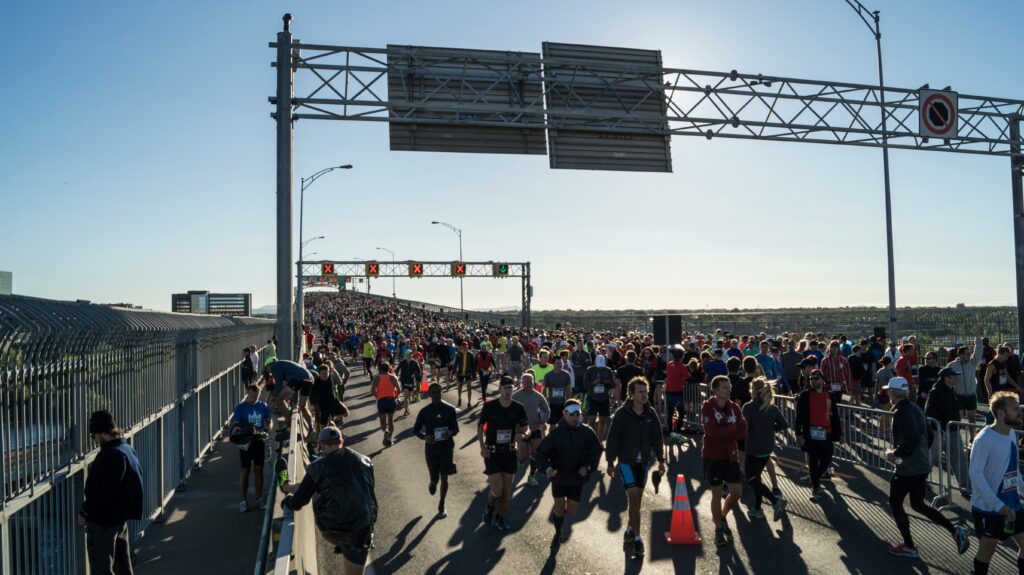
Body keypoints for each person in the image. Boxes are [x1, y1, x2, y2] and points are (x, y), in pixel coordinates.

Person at [883, 377, 969, 558]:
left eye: (888, 391)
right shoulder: (916, 408)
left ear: (892, 392)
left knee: (895, 502)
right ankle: (954, 530)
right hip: (921, 465)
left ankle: (909, 546)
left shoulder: (901, 412)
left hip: (907, 468)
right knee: (918, 504)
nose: (887, 394)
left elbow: (911, 440)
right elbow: (929, 436)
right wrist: (920, 454)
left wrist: (895, 454)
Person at [282, 426, 377, 575]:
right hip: (362, 527)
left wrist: (287, 502)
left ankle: (287, 487)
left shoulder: (318, 466)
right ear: (342, 441)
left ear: (321, 445)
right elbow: (370, 495)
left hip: (334, 527)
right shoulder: (365, 460)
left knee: (315, 488)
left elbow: (298, 503)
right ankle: (289, 486)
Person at [605, 377, 666, 560]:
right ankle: (638, 541)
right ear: (631, 394)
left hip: (644, 463)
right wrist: (610, 461)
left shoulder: (651, 413)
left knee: (637, 501)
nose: (644, 395)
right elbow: (613, 438)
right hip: (626, 462)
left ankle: (630, 529)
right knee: (632, 497)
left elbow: (657, 437)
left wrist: (661, 460)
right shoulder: (621, 415)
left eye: (646, 392)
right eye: (640, 392)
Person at [79, 410, 143, 575]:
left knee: (101, 568)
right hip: (119, 519)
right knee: (123, 567)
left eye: (93, 436)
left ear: (101, 433)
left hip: (104, 521)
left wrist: (84, 511)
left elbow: (102, 492)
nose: (94, 440)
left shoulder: (112, 455)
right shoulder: (125, 447)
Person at [968, 391, 1024, 575]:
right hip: (989, 508)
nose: (1019, 412)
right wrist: (997, 505)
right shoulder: (984, 439)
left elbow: (1014, 471)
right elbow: (975, 475)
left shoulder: (1011, 434)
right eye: (1015, 409)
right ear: (1001, 414)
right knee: (987, 552)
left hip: (1012, 504)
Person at [538, 399, 603, 544]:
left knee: (572, 511)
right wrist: (547, 468)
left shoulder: (587, 432)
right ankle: (558, 531)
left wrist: (588, 467)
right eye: (572, 414)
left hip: (576, 479)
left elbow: (596, 451)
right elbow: (541, 453)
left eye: (578, 414)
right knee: (560, 509)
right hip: (559, 477)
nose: (575, 417)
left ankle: (560, 516)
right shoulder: (556, 433)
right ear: (564, 414)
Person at [700, 375, 746, 547]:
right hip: (713, 456)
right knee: (717, 494)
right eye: (725, 387)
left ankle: (722, 515)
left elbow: (743, 431)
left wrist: (727, 430)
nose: (729, 389)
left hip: (731, 455)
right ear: (716, 390)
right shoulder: (707, 407)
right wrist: (731, 429)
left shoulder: (734, 407)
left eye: (729, 387)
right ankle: (718, 529)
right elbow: (712, 432)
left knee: (737, 492)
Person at [479, 376, 529, 531]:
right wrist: (482, 447)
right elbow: (480, 427)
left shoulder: (518, 407)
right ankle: (489, 507)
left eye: (510, 388)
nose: (508, 391)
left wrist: (520, 434)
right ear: (500, 389)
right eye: (505, 388)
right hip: (492, 452)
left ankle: (499, 517)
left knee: (507, 491)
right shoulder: (490, 406)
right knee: (497, 490)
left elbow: (525, 427)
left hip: (508, 451)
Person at [742, 377, 789, 522]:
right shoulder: (772, 407)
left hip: (753, 447)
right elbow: (784, 424)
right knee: (756, 478)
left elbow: (745, 427)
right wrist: (770, 428)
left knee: (751, 479)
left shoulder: (748, 407)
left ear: (753, 391)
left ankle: (775, 501)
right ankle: (757, 509)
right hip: (767, 448)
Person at [795, 368, 843, 502]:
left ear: (822, 380)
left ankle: (814, 476)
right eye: (811, 379)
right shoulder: (805, 395)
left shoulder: (830, 395)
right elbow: (799, 416)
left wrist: (840, 433)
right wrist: (798, 433)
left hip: (826, 433)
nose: (813, 381)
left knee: (827, 459)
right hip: (810, 434)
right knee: (813, 461)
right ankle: (816, 488)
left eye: (816, 378)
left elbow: (835, 416)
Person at [414, 382, 459, 518]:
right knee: (435, 478)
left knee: (444, 477)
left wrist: (450, 433)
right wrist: (425, 437)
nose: (435, 395)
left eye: (438, 392)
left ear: (441, 393)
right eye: (433, 392)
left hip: (446, 448)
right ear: (429, 394)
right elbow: (415, 430)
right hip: (432, 450)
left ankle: (442, 504)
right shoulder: (425, 411)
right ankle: (433, 483)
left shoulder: (449, 410)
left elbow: (456, 429)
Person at [926, 366, 971, 496]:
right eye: (953, 376)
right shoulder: (935, 392)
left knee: (960, 459)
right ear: (946, 378)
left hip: (953, 430)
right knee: (930, 458)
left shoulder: (951, 390)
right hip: (938, 432)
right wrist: (939, 426)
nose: (956, 378)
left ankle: (966, 486)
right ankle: (917, 482)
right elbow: (929, 412)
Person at [230, 384, 274, 512]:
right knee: (245, 471)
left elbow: (269, 421)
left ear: (259, 394)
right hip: (245, 443)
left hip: (258, 442)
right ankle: (243, 501)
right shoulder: (240, 408)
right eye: (251, 395)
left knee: (258, 471)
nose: (253, 397)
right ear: (247, 394)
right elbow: (235, 423)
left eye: (255, 395)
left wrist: (267, 428)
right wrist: (237, 429)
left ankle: (258, 499)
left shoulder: (263, 406)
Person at [512, 372, 551, 487]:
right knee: (523, 457)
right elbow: (507, 409)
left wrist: (544, 419)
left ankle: (532, 476)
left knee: (536, 453)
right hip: (521, 430)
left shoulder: (538, 396)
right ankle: (519, 459)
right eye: (526, 381)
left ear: (534, 382)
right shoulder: (515, 396)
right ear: (522, 383)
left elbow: (547, 410)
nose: (529, 383)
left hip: (535, 428)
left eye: (531, 381)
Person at [947, 334, 984, 434]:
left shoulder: (972, 363)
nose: (970, 355)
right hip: (958, 396)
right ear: (961, 355)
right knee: (957, 419)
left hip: (971, 395)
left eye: (969, 353)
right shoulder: (952, 365)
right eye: (967, 354)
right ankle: (957, 439)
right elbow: (944, 379)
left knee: (972, 418)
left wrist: (977, 338)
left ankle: (972, 439)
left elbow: (978, 351)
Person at [269, 359, 315, 427]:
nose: (270, 373)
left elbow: (278, 384)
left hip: (299, 379)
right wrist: (295, 402)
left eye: (267, 369)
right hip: (310, 379)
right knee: (302, 406)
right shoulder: (284, 365)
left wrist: (273, 397)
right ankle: (311, 428)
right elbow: (294, 389)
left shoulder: (275, 366)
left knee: (279, 398)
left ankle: (288, 422)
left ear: (269, 366)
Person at [583, 354, 615, 444]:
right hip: (592, 398)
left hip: (604, 398)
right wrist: (594, 382)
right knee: (592, 420)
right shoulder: (589, 370)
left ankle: (600, 442)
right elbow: (585, 385)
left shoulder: (608, 370)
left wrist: (607, 382)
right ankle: (591, 442)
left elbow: (613, 384)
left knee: (602, 420)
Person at [370, 362, 400, 447]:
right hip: (391, 400)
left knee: (383, 421)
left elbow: (372, 391)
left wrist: (377, 397)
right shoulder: (393, 377)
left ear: (380, 369)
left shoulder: (377, 378)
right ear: (389, 368)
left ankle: (386, 432)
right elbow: (399, 389)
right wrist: (395, 397)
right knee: (390, 421)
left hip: (381, 401)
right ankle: (389, 439)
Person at [543, 358, 573, 432]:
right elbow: (544, 389)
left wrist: (568, 401)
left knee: (563, 425)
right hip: (552, 404)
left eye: (560, 363)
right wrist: (545, 400)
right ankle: (552, 441)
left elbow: (568, 388)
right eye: (557, 363)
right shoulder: (548, 375)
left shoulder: (566, 375)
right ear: (553, 364)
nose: (559, 365)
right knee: (552, 425)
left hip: (562, 403)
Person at [395, 350, 423, 417]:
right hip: (404, 380)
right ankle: (406, 410)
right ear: (405, 355)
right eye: (408, 354)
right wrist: (395, 377)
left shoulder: (414, 362)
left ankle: (407, 407)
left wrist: (414, 374)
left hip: (411, 381)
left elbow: (419, 371)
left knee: (409, 396)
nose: (409, 355)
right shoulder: (402, 362)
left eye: (410, 354)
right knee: (406, 396)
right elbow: (397, 370)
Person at [452, 341, 475, 408]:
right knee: (460, 388)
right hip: (460, 373)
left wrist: (474, 373)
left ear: (467, 346)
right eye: (463, 346)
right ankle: (459, 398)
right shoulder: (458, 354)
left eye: (466, 346)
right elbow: (455, 363)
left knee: (469, 388)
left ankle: (469, 402)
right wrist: (453, 371)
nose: (465, 347)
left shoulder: (470, 354)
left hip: (468, 372)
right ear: (461, 346)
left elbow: (473, 364)